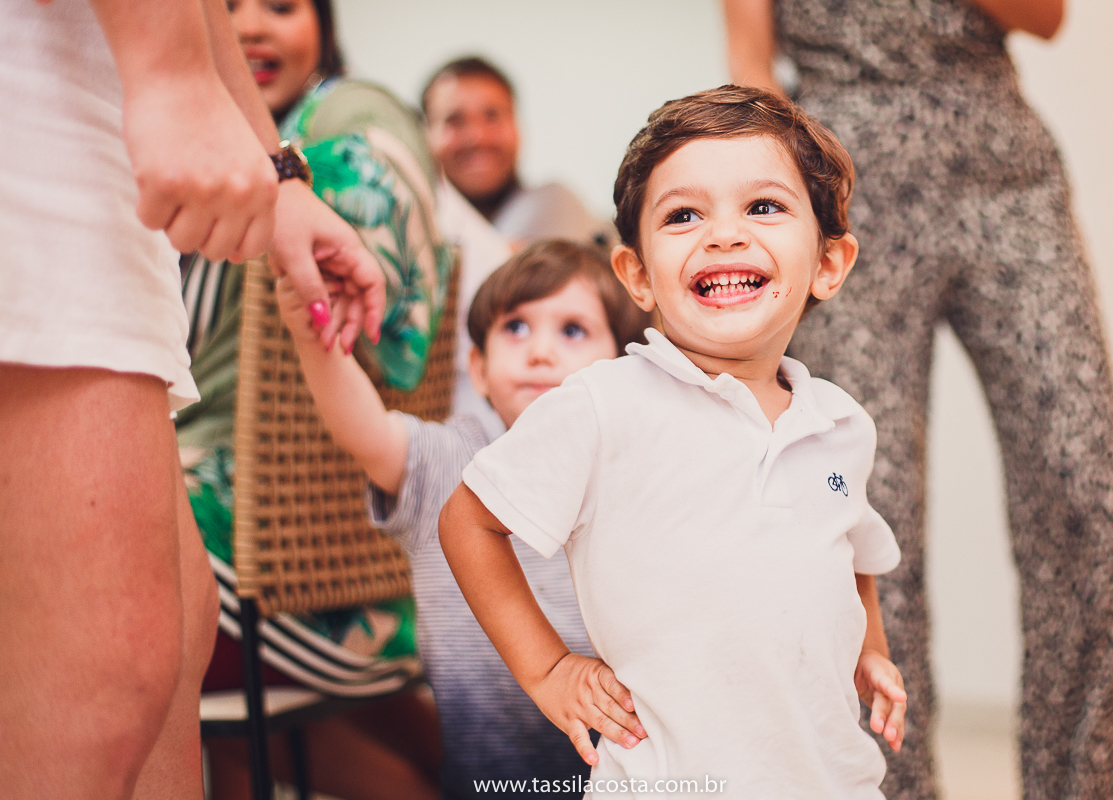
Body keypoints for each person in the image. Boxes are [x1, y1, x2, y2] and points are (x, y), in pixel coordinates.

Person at [722, 2, 1113, 797]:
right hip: (847, 181)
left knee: (1086, 492)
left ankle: (1106, 787)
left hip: (1002, 166)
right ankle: (883, 785)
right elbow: (749, 65)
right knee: (867, 503)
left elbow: (1045, 18)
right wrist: (783, 204)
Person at [440, 86, 909, 798]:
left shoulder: (842, 425)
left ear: (828, 263)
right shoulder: (604, 405)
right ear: (637, 276)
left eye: (764, 207)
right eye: (684, 215)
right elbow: (467, 520)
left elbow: (854, 552)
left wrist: (868, 647)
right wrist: (549, 669)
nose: (723, 235)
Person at [0, 0, 384, 797]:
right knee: (103, 674)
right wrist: (167, 72)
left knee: (175, 638)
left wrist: (276, 168)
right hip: (41, 109)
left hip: (100, 116)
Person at [178, 0, 452, 797]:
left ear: (326, 27)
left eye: (281, 6)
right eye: (228, 7)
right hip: (359, 572)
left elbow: (374, 309)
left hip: (261, 555)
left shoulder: (348, 118)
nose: (252, 26)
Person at [276, 239, 652, 799]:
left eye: (571, 330)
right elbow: (365, 429)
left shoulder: (635, 478)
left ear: (620, 372)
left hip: (628, 774)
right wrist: (315, 331)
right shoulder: (447, 464)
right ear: (476, 369)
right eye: (515, 329)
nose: (539, 352)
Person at [422, 56, 615, 247]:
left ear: (517, 126)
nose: (477, 136)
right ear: (423, 135)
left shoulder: (554, 206)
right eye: (454, 120)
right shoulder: (411, 229)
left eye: (492, 116)